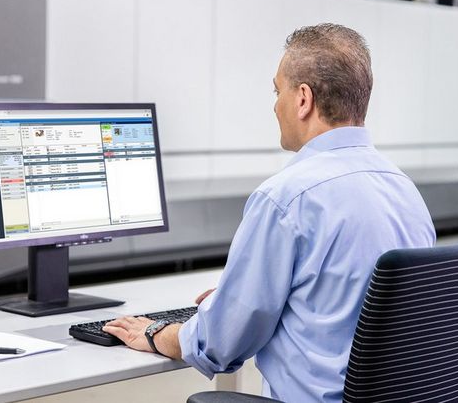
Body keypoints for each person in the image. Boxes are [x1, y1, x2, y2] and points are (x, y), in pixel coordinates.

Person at [103, 23, 436, 402]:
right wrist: (246, 296)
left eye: (278, 91)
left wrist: (157, 333)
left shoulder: (286, 199)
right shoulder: (405, 191)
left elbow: (222, 342)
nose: (274, 105)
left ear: (303, 99)